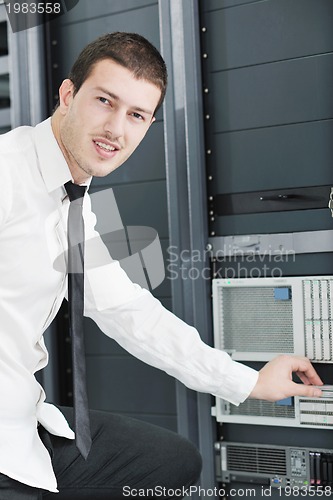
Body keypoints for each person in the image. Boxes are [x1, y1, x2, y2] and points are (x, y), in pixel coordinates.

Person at [0, 32, 323, 499]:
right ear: (68, 95)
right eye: (104, 101)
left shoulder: (77, 203)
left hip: (22, 419)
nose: (116, 128)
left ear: (149, 125)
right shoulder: (8, 173)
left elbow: (128, 311)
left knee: (171, 461)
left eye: (135, 115)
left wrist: (248, 382)